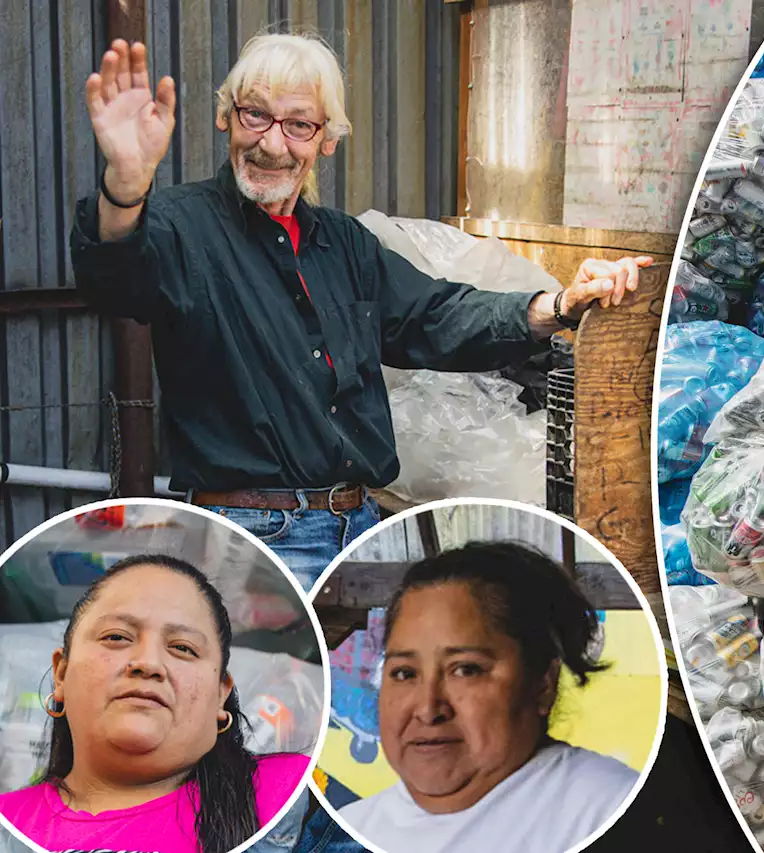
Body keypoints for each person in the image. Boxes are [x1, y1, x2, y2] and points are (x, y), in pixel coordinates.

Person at [71, 32, 654, 589]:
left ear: (327, 139)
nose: (274, 143)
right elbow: (114, 280)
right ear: (226, 117)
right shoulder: (180, 225)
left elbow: (434, 317)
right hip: (252, 540)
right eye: (255, 115)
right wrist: (125, 184)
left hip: (363, 530)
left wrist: (557, 305)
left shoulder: (344, 243)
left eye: (298, 124)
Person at [335, 542, 640, 853]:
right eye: (404, 673)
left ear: (542, 685)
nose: (428, 710)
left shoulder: (612, 811)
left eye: (466, 670)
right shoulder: (353, 828)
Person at [0, 555, 311, 853]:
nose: (148, 663)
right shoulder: (8, 820)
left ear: (221, 696)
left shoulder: (289, 791)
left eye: (182, 648)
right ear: (61, 674)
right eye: (117, 637)